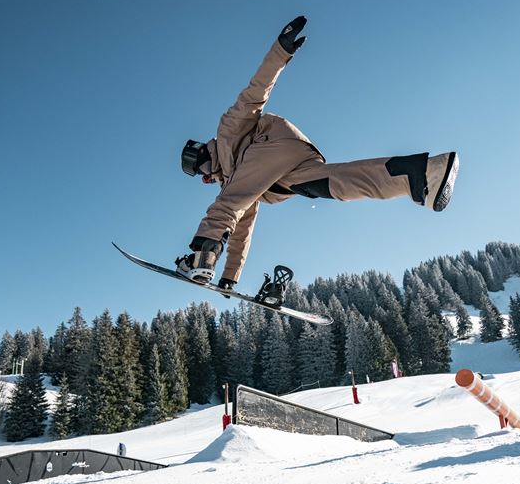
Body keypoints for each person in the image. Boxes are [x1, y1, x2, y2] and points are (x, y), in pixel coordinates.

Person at [176, 16, 459, 290]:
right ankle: (420, 173)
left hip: (270, 146)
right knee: (337, 184)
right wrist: (230, 277)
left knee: (225, 205)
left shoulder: (227, 133)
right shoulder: (235, 180)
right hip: (291, 164)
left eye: (198, 169)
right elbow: (241, 230)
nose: (204, 177)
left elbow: (255, 93)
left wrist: (279, 52)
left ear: (202, 153)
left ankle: (202, 258)